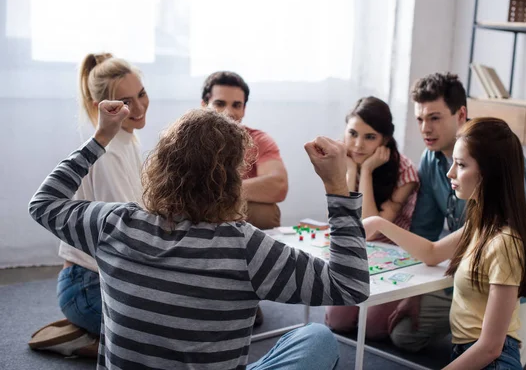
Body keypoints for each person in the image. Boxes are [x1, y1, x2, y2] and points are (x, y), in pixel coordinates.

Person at [29, 103, 370, 370]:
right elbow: (350, 285)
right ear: (233, 179)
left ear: (160, 164)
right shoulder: (246, 247)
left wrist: (101, 137)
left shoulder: (115, 224)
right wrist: (337, 186)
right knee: (316, 337)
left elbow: (43, 203)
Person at [386, 73, 526, 365]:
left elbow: (513, 234)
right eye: (420, 119)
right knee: (403, 335)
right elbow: (428, 239)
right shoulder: (434, 162)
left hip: (514, 281)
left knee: (498, 345)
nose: (426, 128)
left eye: (434, 118)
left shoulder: (503, 163)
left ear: (460, 114)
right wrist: (413, 292)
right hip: (472, 269)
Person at [364, 117, 526, 369]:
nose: (450, 173)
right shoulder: (480, 226)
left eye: (460, 165)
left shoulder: (504, 244)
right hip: (467, 352)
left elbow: (490, 347)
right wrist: (379, 224)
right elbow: (432, 253)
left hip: (492, 359)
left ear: (489, 173)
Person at [31, 53, 149, 356]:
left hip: (102, 279)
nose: (137, 107)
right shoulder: (108, 153)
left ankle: (92, 331)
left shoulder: (127, 140)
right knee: (166, 333)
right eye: (125, 101)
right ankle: (90, 340)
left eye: (141, 94)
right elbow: (126, 240)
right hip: (86, 285)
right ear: (106, 108)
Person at [325, 96, 419, 340]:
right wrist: (351, 170)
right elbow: (345, 222)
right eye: (352, 133)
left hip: (391, 255)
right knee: (338, 322)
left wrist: (364, 171)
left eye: (369, 137)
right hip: (356, 252)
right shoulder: (342, 160)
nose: (357, 145)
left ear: (385, 140)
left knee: (373, 329)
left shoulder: (405, 172)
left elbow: (371, 229)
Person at [201, 71, 288, 231]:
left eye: (236, 105)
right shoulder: (189, 138)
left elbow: (278, 185)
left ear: (244, 109)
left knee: (265, 212)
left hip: (239, 216)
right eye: (220, 104)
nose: (228, 112)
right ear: (204, 105)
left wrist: (221, 192)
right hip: (199, 212)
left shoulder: (259, 140)